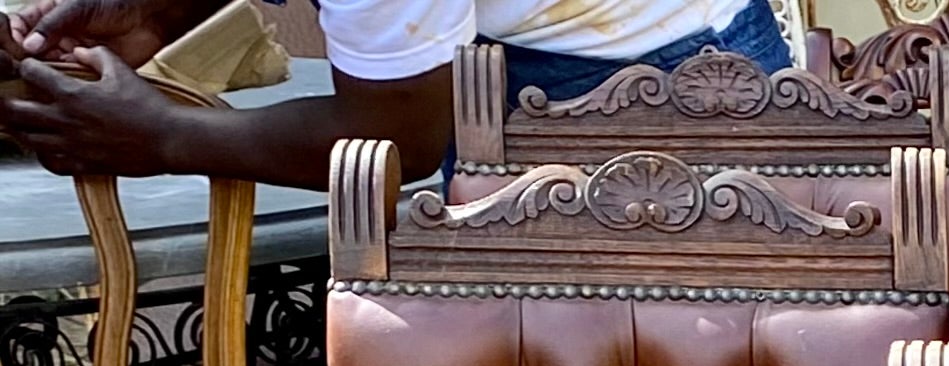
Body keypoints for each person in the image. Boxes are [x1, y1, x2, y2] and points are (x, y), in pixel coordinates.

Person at [0, 0, 791, 188]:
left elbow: (395, 141)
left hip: (636, 95)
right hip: (554, 64)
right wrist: (160, 8)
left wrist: (164, 137)